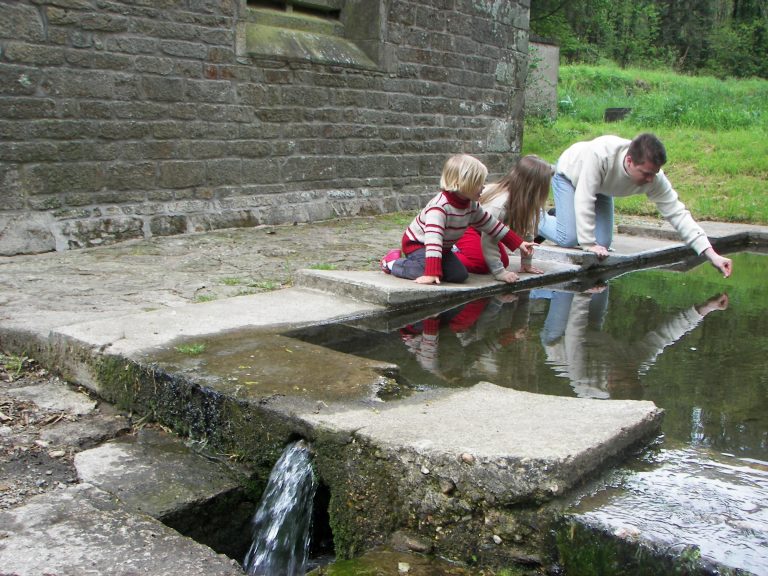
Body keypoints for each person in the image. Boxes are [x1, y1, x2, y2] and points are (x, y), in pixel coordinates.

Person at [536, 133, 733, 278]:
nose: (650, 180)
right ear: (629, 161)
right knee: (569, 238)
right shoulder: (600, 155)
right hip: (570, 175)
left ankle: (562, 216)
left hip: (602, 188)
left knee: (603, 243)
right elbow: (585, 197)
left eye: (654, 174)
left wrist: (712, 255)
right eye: (646, 173)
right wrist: (587, 244)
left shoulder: (654, 177)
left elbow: (678, 214)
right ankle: (533, 216)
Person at [379, 154, 534, 284]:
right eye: (478, 183)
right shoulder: (439, 207)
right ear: (461, 183)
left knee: (459, 275)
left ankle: (432, 267)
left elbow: (492, 225)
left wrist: (519, 243)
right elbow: (433, 241)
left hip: (443, 248)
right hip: (418, 245)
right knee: (426, 271)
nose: (483, 187)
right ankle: (391, 263)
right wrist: (431, 273)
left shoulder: (471, 205)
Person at [453, 155, 553, 282]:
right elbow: (488, 239)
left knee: (503, 262)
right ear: (535, 187)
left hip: (485, 229)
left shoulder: (525, 201)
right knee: (482, 264)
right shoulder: (499, 205)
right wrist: (499, 273)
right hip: (462, 225)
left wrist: (526, 263)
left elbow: (527, 230)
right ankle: (446, 255)